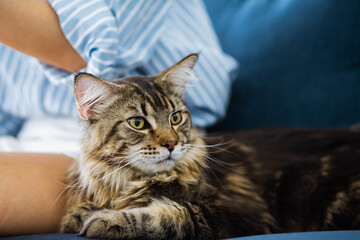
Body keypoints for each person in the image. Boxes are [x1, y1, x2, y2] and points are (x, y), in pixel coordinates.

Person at [0, 0, 238, 236]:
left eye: (176, 119)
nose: (168, 140)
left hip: (102, 152)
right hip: (46, 134)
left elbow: (95, 49)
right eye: (139, 123)